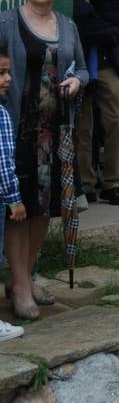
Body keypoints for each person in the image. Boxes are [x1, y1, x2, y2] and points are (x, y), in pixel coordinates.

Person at [0, 0, 88, 320]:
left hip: (56, 133)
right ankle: (19, 283)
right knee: (18, 211)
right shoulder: (6, 23)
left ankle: (29, 274)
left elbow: (83, 67)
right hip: (18, 129)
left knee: (45, 209)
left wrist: (78, 80)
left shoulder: (67, 25)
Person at [58, 0, 119, 206]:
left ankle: (111, 182)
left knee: (116, 119)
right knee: (83, 127)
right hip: (78, 66)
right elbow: (102, 29)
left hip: (103, 63)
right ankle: (87, 182)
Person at [0, 49, 25, 340]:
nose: (8, 79)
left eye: (8, 72)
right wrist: (14, 199)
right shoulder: (3, 115)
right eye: (1, 73)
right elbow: (4, 163)